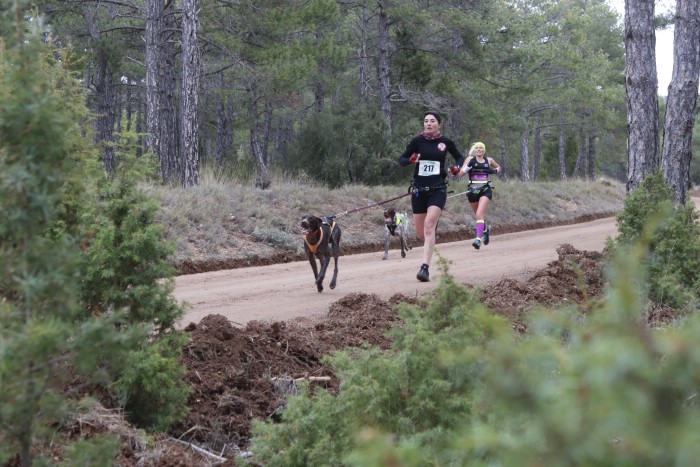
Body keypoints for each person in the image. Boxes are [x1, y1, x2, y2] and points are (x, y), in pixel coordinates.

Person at [399, 111, 465, 282]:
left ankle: (424, 268)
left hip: (438, 189)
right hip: (419, 190)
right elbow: (402, 160)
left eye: (432, 121)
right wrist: (411, 160)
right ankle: (431, 231)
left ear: (439, 124)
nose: (428, 124)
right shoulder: (417, 141)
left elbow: (459, 157)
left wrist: (456, 168)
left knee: (429, 225)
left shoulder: (445, 142)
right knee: (421, 234)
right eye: (426, 121)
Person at [459, 142, 501, 250]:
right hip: (472, 191)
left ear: (484, 150)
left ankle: (478, 239)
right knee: (479, 216)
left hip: (485, 190)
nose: (479, 149)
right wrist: (466, 168)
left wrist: (494, 171)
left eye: (481, 148)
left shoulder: (489, 160)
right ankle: (486, 230)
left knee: (479, 214)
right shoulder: (470, 159)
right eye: (477, 148)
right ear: (474, 150)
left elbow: (498, 167)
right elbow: (461, 174)